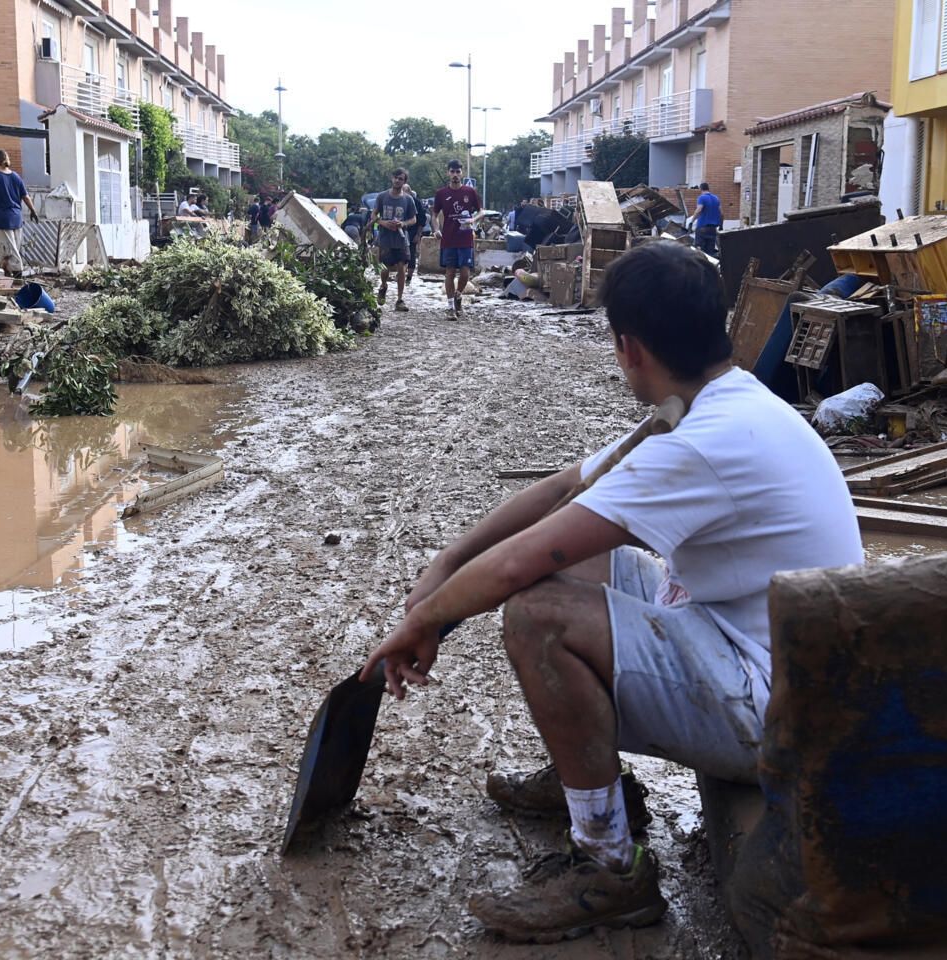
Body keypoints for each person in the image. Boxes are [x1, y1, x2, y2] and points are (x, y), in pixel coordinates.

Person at [359, 241, 863, 944]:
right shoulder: (718, 402)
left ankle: (609, 869)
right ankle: (595, 782)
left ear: (629, 348)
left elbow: (514, 570)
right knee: (575, 567)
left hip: (777, 716)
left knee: (537, 616)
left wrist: (425, 621)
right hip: (765, 655)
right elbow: (567, 487)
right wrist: (443, 566)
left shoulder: (701, 441)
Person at [433, 159, 481, 320]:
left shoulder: (470, 192)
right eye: (452, 171)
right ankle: (450, 306)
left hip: (466, 237)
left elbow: (482, 211)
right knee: (449, 272)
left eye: (458, 172)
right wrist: (436, 229)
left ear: (462, 173)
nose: (455, 175)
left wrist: (473, 220)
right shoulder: (441, 193)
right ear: (448, 173)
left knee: (465, 271)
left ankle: (459, 295)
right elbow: (434, 215)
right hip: (448, 238)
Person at [374, 168, 417, 313]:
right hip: (385, 238)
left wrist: (403, 224)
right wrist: (383, 223)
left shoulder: (408, 199)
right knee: (385, 268)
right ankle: (383, 286)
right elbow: (373, 216)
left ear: (404, 182)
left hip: (401, 239)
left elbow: (413, 219)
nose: (398, 181)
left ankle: (399, 299)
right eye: (396, 178)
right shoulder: (382, 197)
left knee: (402, 268)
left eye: (401, 179)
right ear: (392, 178)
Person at [402, 175, 428, 284]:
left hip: (413, 231)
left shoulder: (416, 202)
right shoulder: (398, 200)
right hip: (400, 231)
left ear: (409, 192)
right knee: (401, 254)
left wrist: (418, 234)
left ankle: (409, 277)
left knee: (411, 253)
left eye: (405, 191)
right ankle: (401, 275)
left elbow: (422, 219)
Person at [690, 182, 722, 256]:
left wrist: (691, 222)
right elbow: (721, 213)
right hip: (713, 229)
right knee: (710, 252)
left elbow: (699, 210)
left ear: (701, 189)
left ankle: (700, 266)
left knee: (700, 251)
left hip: (702, 227)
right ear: (708, 188)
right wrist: (721, 225)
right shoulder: (716, 198)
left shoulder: (701, 198)